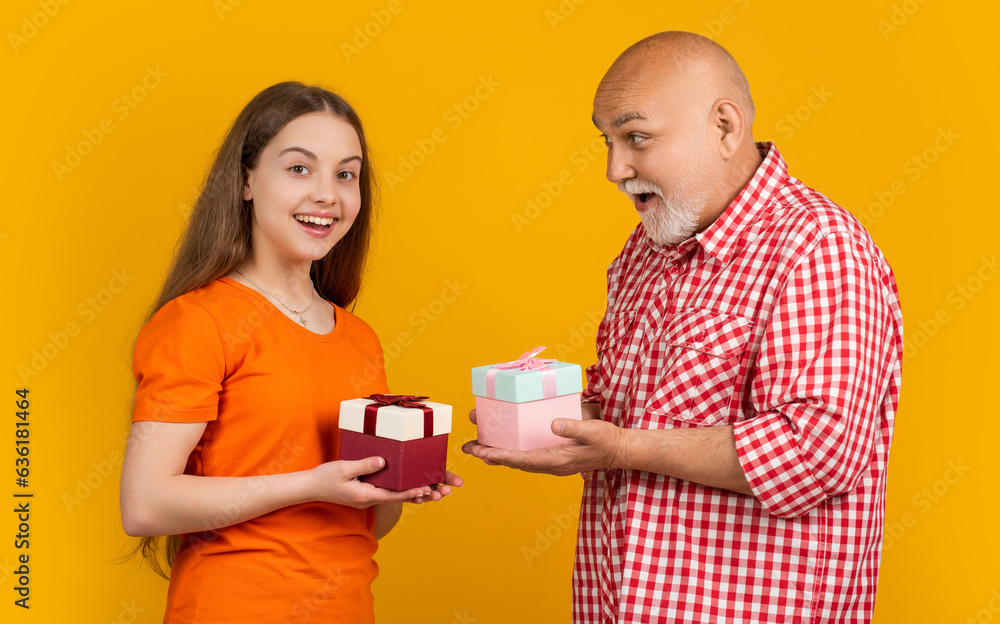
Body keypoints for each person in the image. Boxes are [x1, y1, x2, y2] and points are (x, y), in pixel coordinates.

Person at [464, 31, 903, 623]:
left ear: (724, 127)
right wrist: (553, 421)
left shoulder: (819, 248)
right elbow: (630, 408)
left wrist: (620, 448)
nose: (615, 168)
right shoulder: (647, 248)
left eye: (636, 137)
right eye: (608, 141)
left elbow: (816, 453)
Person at [120, 81, 461, 624]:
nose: (328, 194)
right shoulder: (198, 321)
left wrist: (394, 482)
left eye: (345, 175)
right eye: (300, 168)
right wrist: (310, 483)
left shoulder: (359, 337)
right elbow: (144, 505)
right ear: (247, 180)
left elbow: (367, 525)